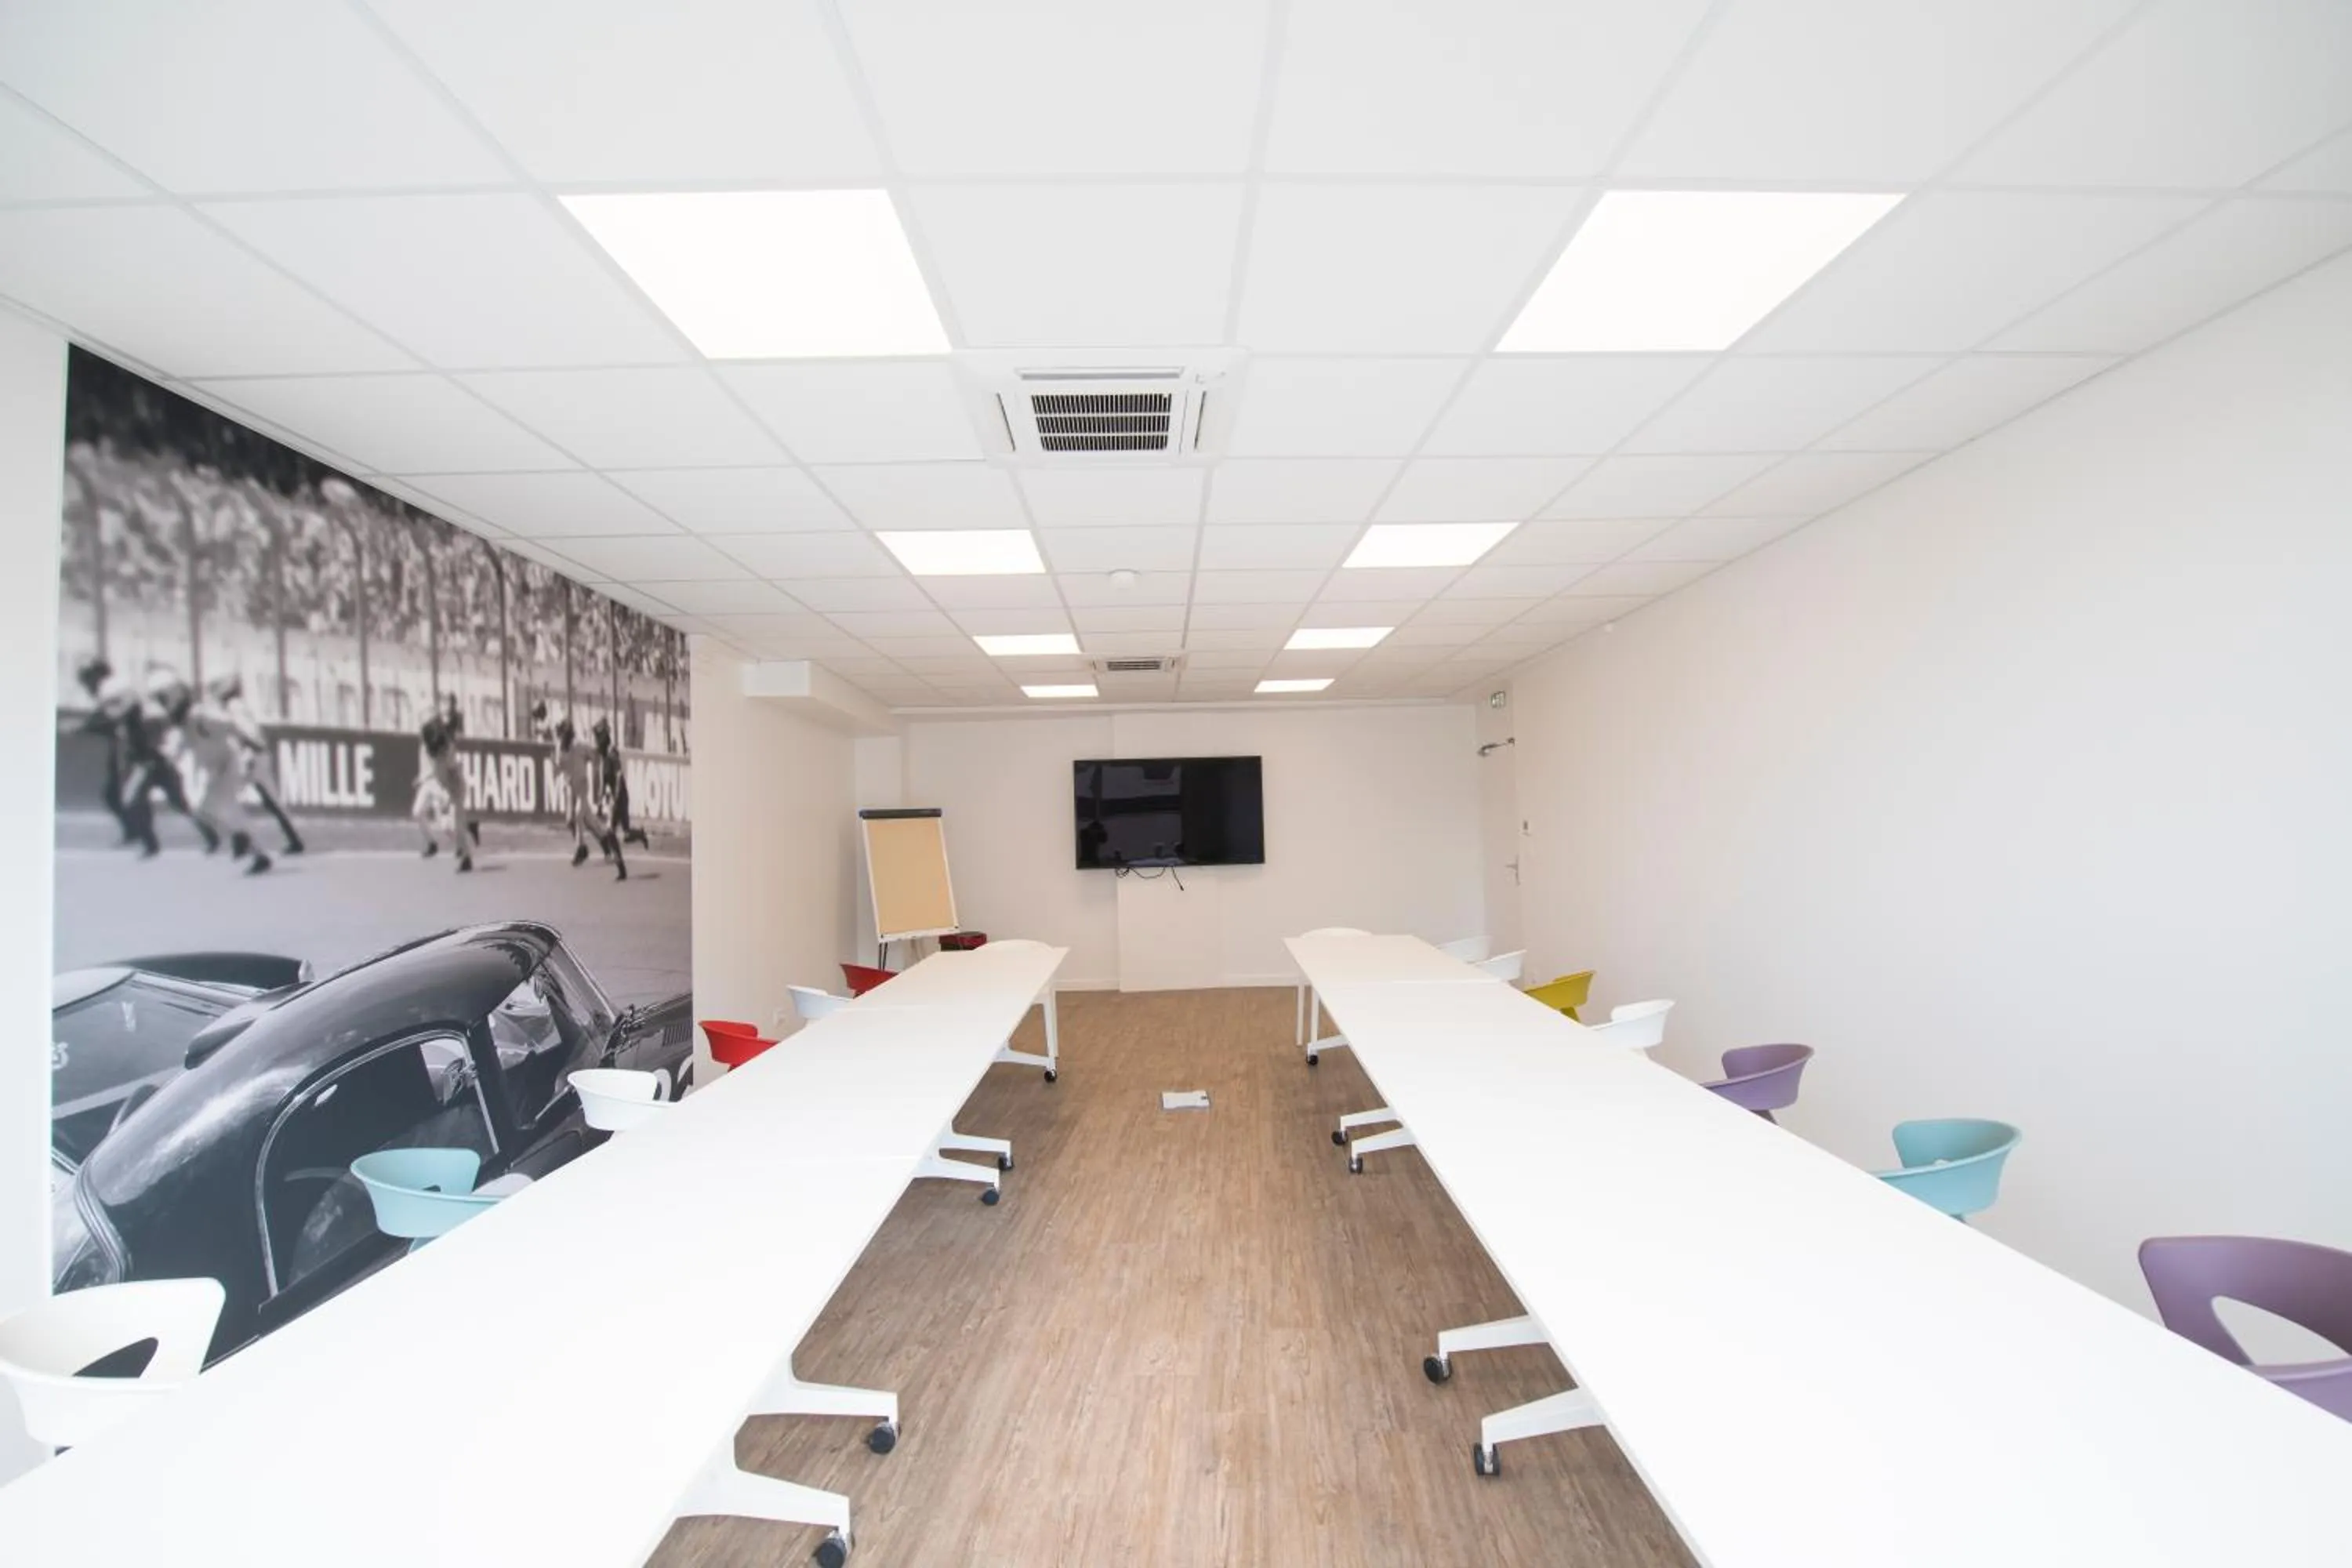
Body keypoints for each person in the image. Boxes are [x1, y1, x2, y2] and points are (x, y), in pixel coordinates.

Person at [209, 674, 303, 857]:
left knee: (225, 798)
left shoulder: (234, 707)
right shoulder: (234, 706)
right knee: (271, 801)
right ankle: (294, 841)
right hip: (254, 757)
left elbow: (250, 734)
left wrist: (246, 753)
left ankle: (241, 841)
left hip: (250, 757)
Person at [183, 688, 270, 874]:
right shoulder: (189, 723)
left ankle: (246, 844)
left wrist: (250, 745)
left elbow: (230, 727)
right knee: (215, 810)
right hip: (220, 768)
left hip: (228, 764)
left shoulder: (201, 716)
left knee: (217, 809)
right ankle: (249, 847)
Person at [554, 717, 626, 881]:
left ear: (569, 734)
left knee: (580, 815)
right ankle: (607, 845)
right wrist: (558, 770)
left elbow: (594, 756)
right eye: (560, 734)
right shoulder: (559, 748)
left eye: (563, 733)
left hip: (582, 787)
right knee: (580, 821)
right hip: (570, 787)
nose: (561, 737)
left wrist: (598, 751)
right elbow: (559, 766)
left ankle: (582, 847)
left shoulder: (579, 746)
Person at [415, 706, 472, 873]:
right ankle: (463, 848)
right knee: (448, 826)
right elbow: (437, 776)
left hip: (456, 787)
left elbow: (450, 775)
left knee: (454, 826)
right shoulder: (430, 749)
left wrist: (448, 797)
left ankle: (466, 857)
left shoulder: (447, 750)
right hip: (444, 787)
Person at [592, 717, 650, 850]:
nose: (596, 743)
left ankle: (619, 861)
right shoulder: (602, 758)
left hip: (621, 797)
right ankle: (639, 835)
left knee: (616, 833)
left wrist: (616, 796)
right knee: (625, 835)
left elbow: (618, 776)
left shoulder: (612, 754)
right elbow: (603, 783)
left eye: (598, 738)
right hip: (615, 798)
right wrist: (600, 804)